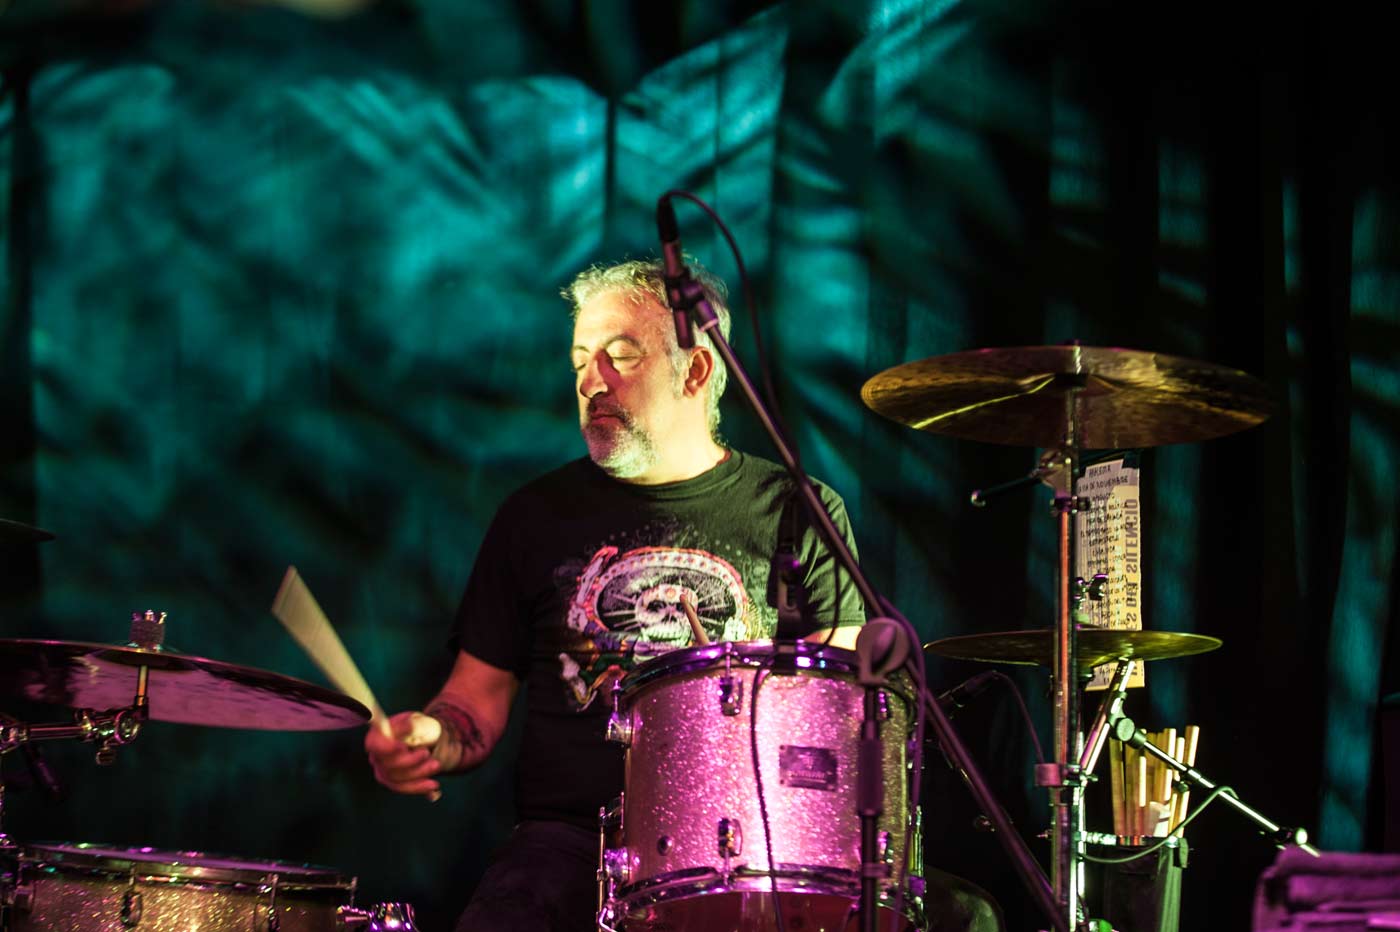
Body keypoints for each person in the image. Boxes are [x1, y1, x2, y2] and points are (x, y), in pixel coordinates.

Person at [363, 258, 999, 931]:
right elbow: (473, 705)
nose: (590, 380)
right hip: (573, 842)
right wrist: (431, 737)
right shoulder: (533, 516)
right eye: (580, 359)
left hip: (755, 844)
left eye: (620, 355)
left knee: (968, 918)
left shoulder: (799, 511)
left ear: (695, 370)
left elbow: (836, 717)